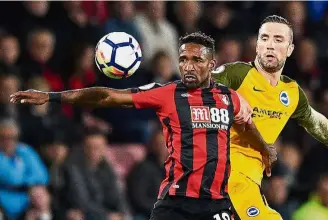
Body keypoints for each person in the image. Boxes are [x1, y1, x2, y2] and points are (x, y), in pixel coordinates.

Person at [10, 32, 274, 220]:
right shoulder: (167, 93)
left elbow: (246, 124)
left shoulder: (230, 98)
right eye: (183, 60)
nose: (188, 66)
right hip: (175, 204)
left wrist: (264, 148)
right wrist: (53, 96)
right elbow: (107, 96)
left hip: (216, 203)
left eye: (197, 60)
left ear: (211, 65)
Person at [212, 15, 328, 220]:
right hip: (220, 173)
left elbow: (316, 121)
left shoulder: (291, 92)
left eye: (278, 40)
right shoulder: (237, 74)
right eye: (264, 38)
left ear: (289, 49)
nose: (270, 45)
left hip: (249, 181)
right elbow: (195, 88)